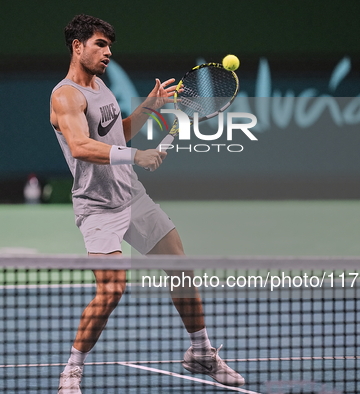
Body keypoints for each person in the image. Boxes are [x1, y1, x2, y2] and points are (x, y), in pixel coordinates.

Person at [50, 14, 245, 393]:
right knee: (111, 290)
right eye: (100, 45)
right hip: (96, 206)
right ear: (78, 47)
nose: (108, 52)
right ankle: (72, 369)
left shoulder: (100, 85)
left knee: (180, 267)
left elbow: (116, 133)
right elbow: (81, 147)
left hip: (132, 196)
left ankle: (201, 351)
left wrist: (149, 106)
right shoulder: (65, 95)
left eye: (109, 46)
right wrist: (136, 157)